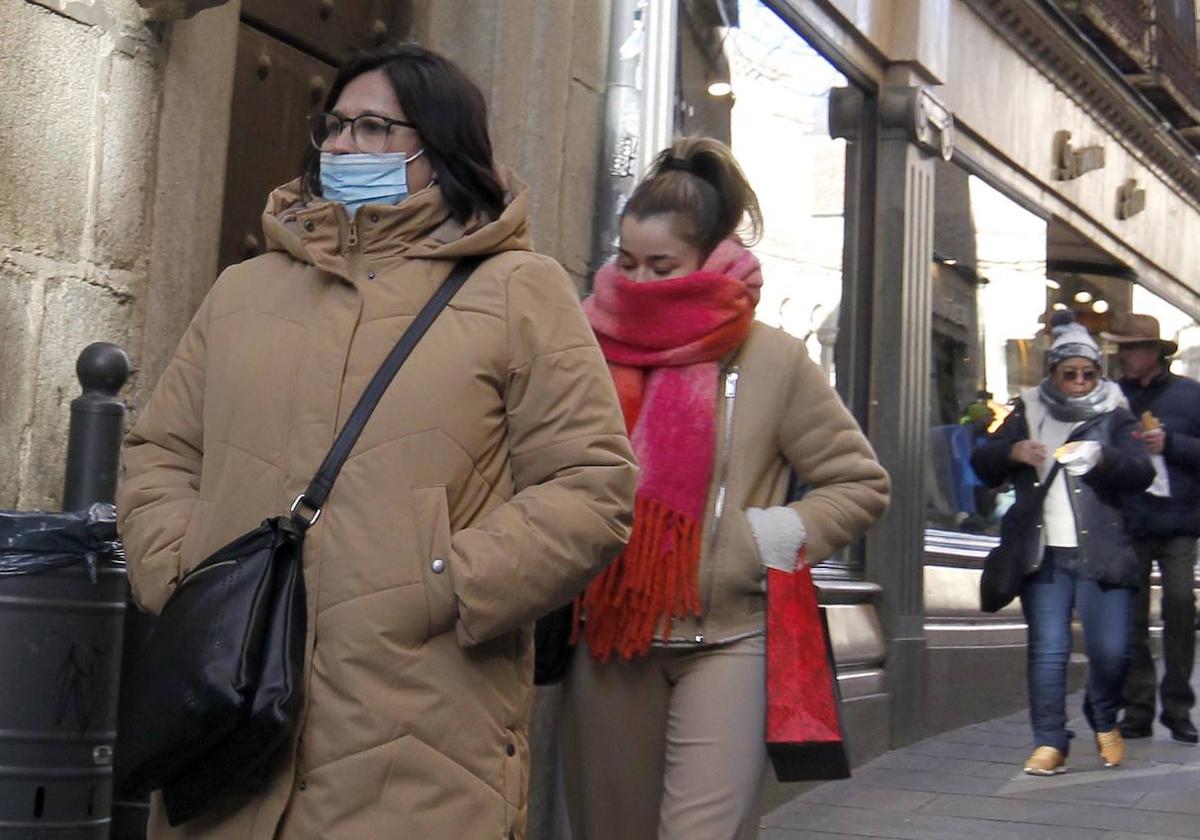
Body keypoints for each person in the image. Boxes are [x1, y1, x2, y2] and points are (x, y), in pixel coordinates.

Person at [117, 43, 638, 840]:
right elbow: (160, 452)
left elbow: (591, 483)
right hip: (232, 718)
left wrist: (449, 580)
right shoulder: (243, 290)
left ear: (438, 150)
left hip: (419, 728)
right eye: (334, 126)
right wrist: (184, 569)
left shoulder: (518, 291)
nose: (342, 147)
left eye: (373, 128)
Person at [559, 137, 890, 840]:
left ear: (710, 259)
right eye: (627, 262)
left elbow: (858, 484)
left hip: (729, 637)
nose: (641, 282)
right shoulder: (580, 344)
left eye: (662, 265)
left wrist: (752, 546)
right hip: (608, 635)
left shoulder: (773, 357)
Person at [971, 312, 1154, 775]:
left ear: (1099, 374)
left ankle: (1102, 714)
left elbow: (1141, 472)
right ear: (1052, 372)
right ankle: (1050, 741)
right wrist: (1011, 451)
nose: (1078, 381)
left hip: (1103, 554)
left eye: (1087, 373)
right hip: (1043, 554)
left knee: (1113, 651)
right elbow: (982, 462)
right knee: (1048, 651)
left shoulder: (1116, 414)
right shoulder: (1027, 412)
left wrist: (1101, 458)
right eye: (1068, 372)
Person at [1103, 313, 1200, 744]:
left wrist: (1172, 443)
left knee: (1179, 605)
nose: (1124, 356)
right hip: (1131, 518)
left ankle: (1178, 708)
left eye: (1133, 348)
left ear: (1156, 353)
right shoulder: (1111, 397)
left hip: (1180, 518)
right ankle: (1138, 708)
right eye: (1121, 348)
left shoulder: (1191, 396)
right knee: (1132, 617)